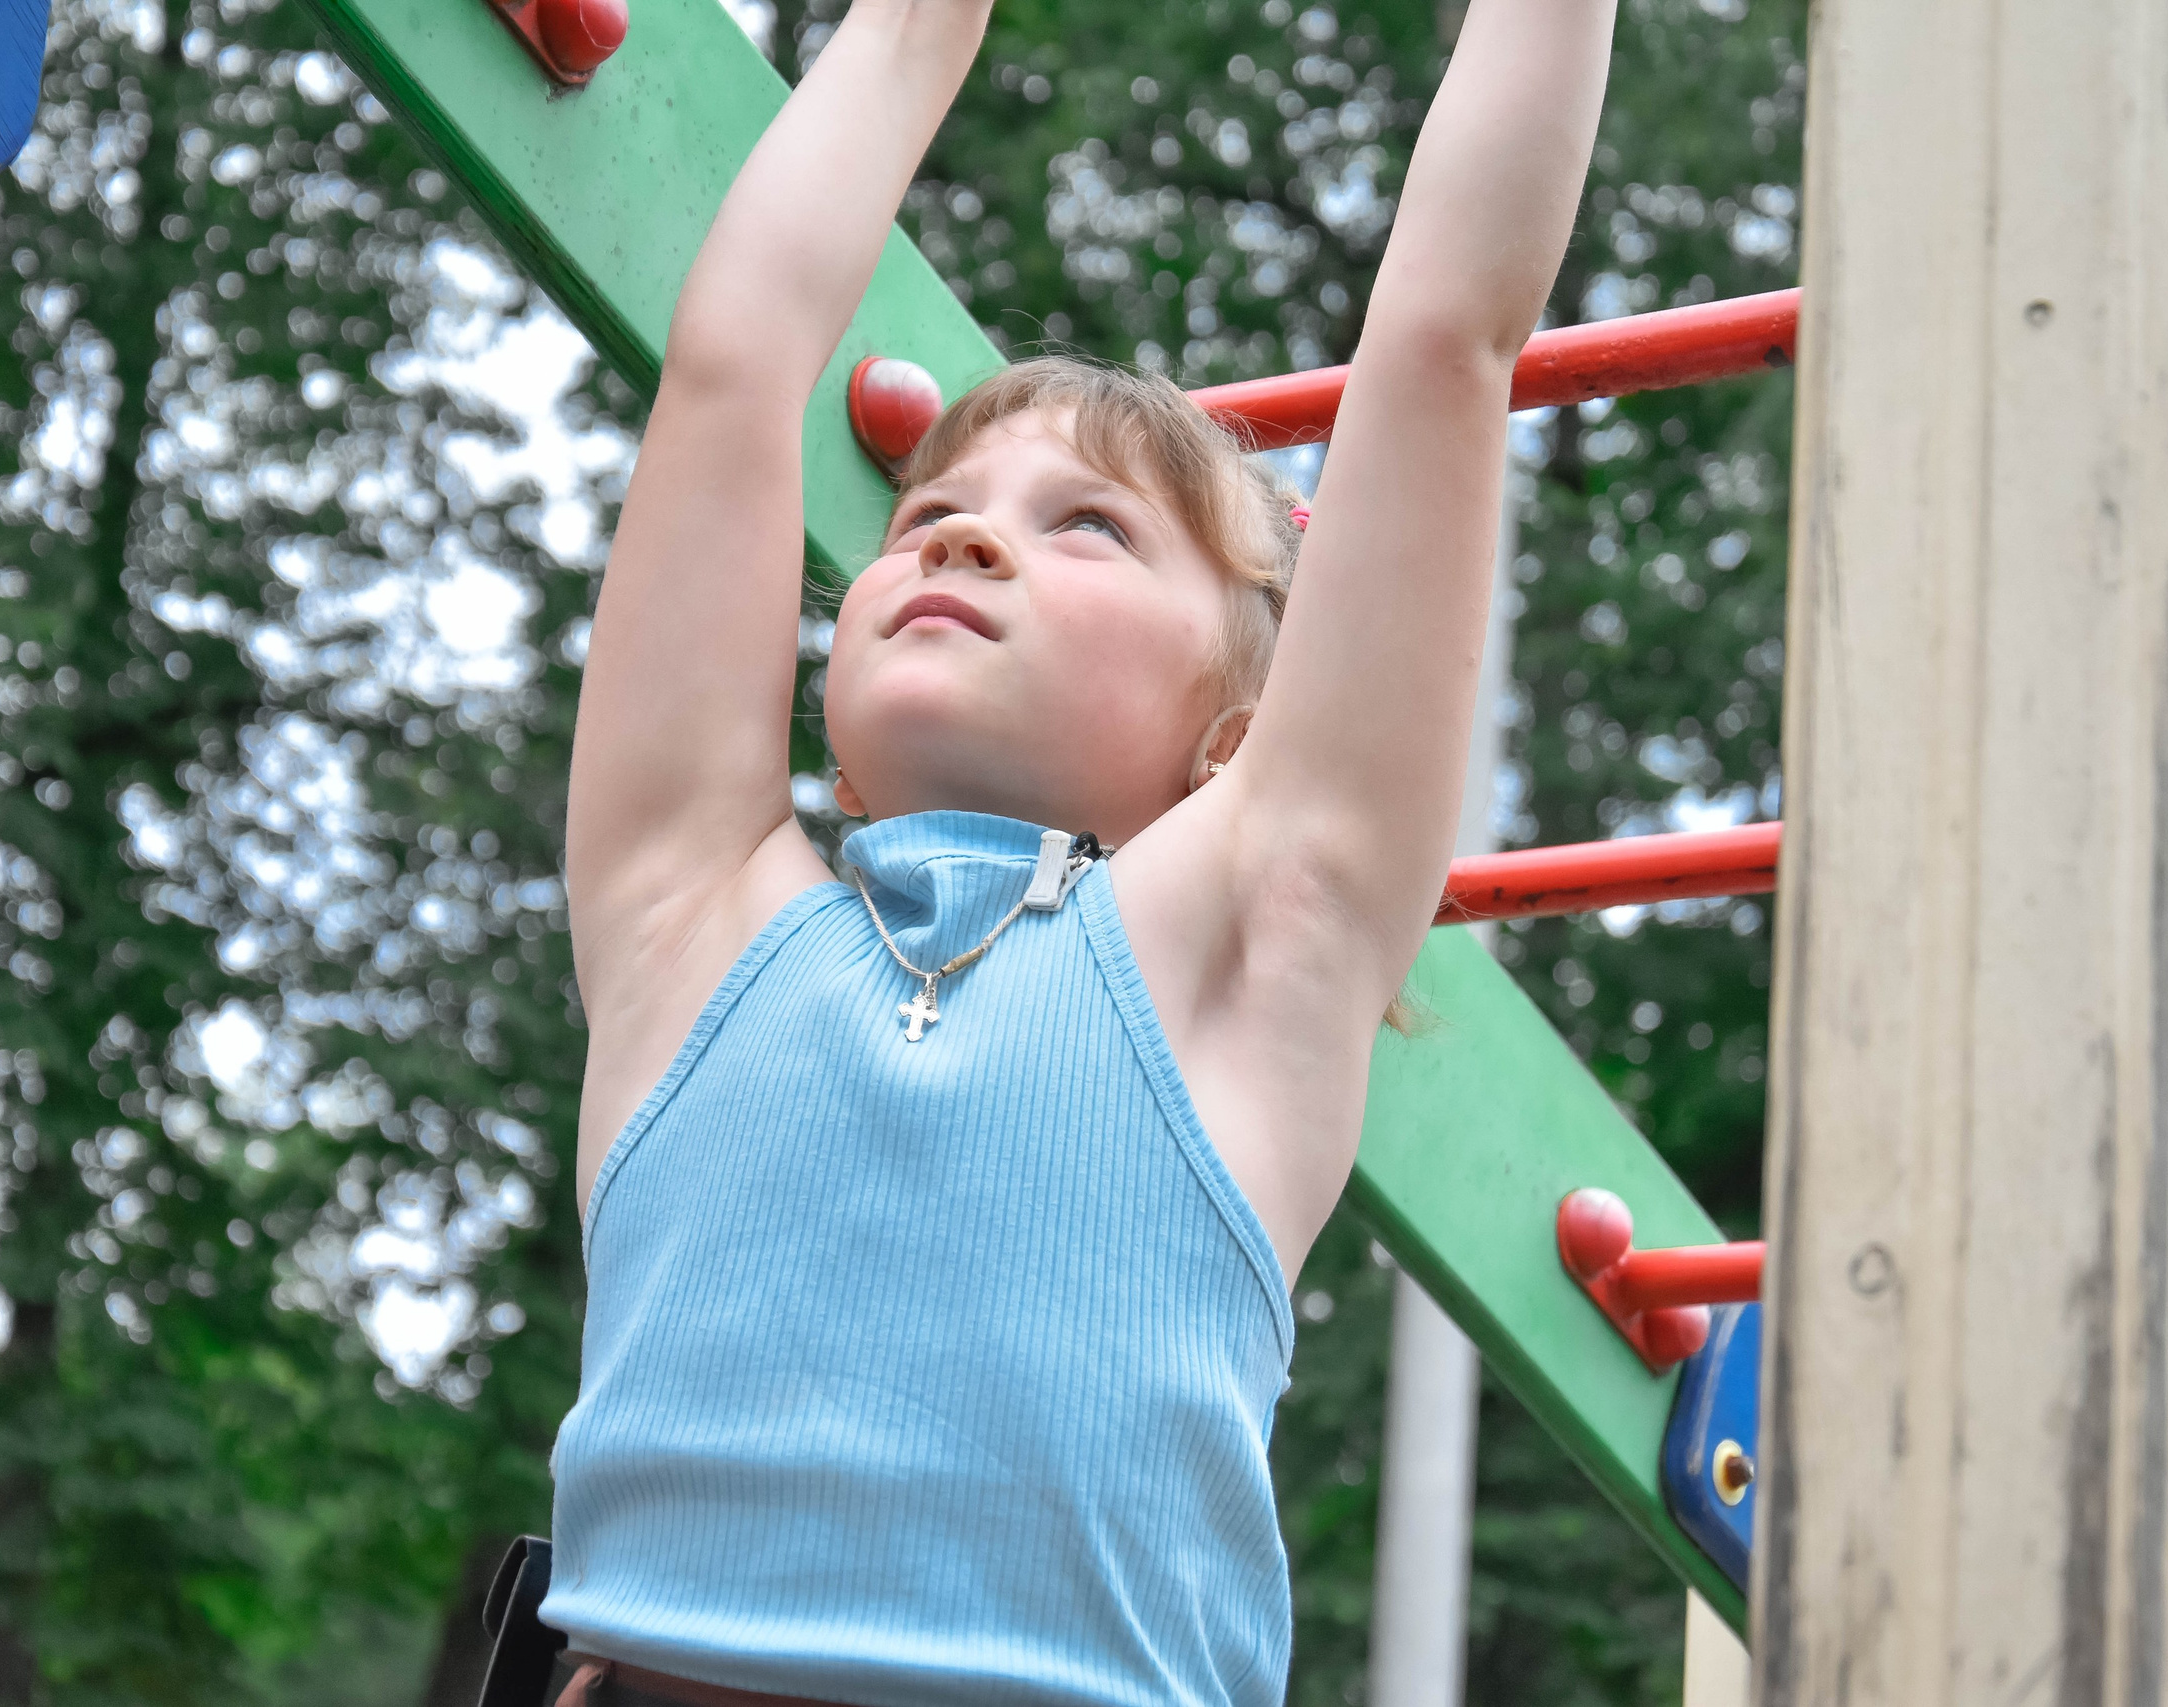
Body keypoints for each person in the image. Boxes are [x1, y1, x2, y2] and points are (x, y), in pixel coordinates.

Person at [527, 0, 1615, 1701]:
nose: (963, 533)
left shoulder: (1244, 950)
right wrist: (915, 29)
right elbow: (737, 365)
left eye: (1089, 524)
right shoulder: (692, 918)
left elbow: (1445, 341)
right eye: (925, 516)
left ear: (1235, 740)